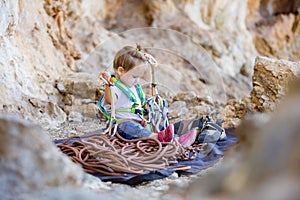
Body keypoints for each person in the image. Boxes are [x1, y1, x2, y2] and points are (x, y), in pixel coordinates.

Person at [98, 45, 196, 146]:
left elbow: (148, 80)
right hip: (121, 127)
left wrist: (151, 66)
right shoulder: (115, 88)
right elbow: (110, 99)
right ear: (121, 71)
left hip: (139, 124)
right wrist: (108, 84)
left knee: (157, 125)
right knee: (131, 128)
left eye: (139, 77)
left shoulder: (135, 88)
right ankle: (157, 138)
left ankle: (177, 139)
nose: (137, 80)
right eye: (135, 76)